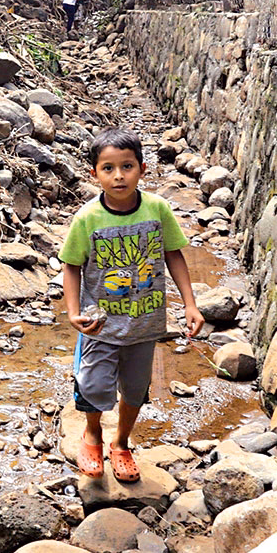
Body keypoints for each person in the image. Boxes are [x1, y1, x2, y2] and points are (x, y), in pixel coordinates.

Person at [58, 128, 205, 482]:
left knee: (136, 388)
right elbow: (71, 265)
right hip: (101, 324)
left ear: (142, 168)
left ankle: (121, 442)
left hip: (145, 322)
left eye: (127, 166)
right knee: (93, 384)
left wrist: (190, 304)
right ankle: (92, 434)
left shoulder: (157, 209)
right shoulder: (88, 219)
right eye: (108, 168)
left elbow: (173, 253)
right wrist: (74, 312)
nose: (119, 176)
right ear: (94, 174)